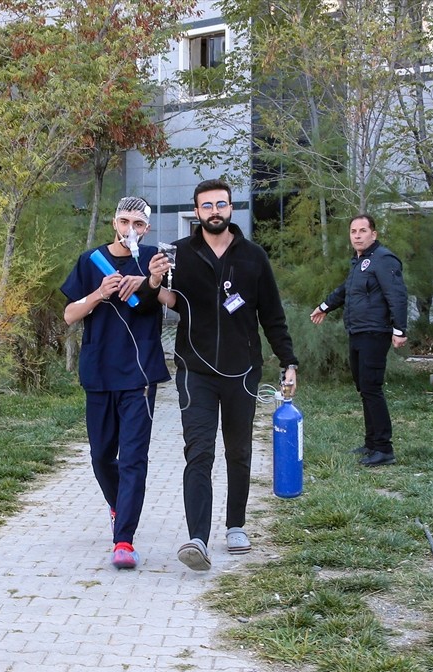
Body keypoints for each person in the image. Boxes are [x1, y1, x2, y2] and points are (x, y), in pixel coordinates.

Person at [148, 178, 298, 572]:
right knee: (199, 452)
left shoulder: (253, 257)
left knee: (239, 451)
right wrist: (153, 281)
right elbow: (169, 300)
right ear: (196, 212)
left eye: (221, 204)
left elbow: (273, 316)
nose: (215, 211)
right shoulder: (179, 253)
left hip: (243, 371)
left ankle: (235, 525)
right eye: (207, 206)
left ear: (231, 209)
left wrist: (289, 361)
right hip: (194, 370)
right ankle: (197, 538)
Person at [60, 197, 170, 570]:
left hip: (140, 374)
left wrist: (152, 280)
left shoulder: (155, 258)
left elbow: (174, 301)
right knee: (101, 455)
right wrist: (98, 294)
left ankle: (124, 539)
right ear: (113, 222)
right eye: (125, 221)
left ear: (147, 229)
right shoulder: (91, 261)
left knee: (134, 458)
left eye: (138, 224)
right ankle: (116, 505)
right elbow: (69, 314)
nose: (130, 230)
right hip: (99, 371)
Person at [309, 213, 408, 467]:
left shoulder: (384, 259)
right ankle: (371, 443)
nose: (357, 235)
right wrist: (324, 306)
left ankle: (384, 449)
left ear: (373, 234)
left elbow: (396, 294)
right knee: (364, 388)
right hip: (358, 331)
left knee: (372, 388)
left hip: (375, 332)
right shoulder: (359, 262)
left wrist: (399, 329)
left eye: (362, 231)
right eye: (353, 231)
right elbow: (345, 290)